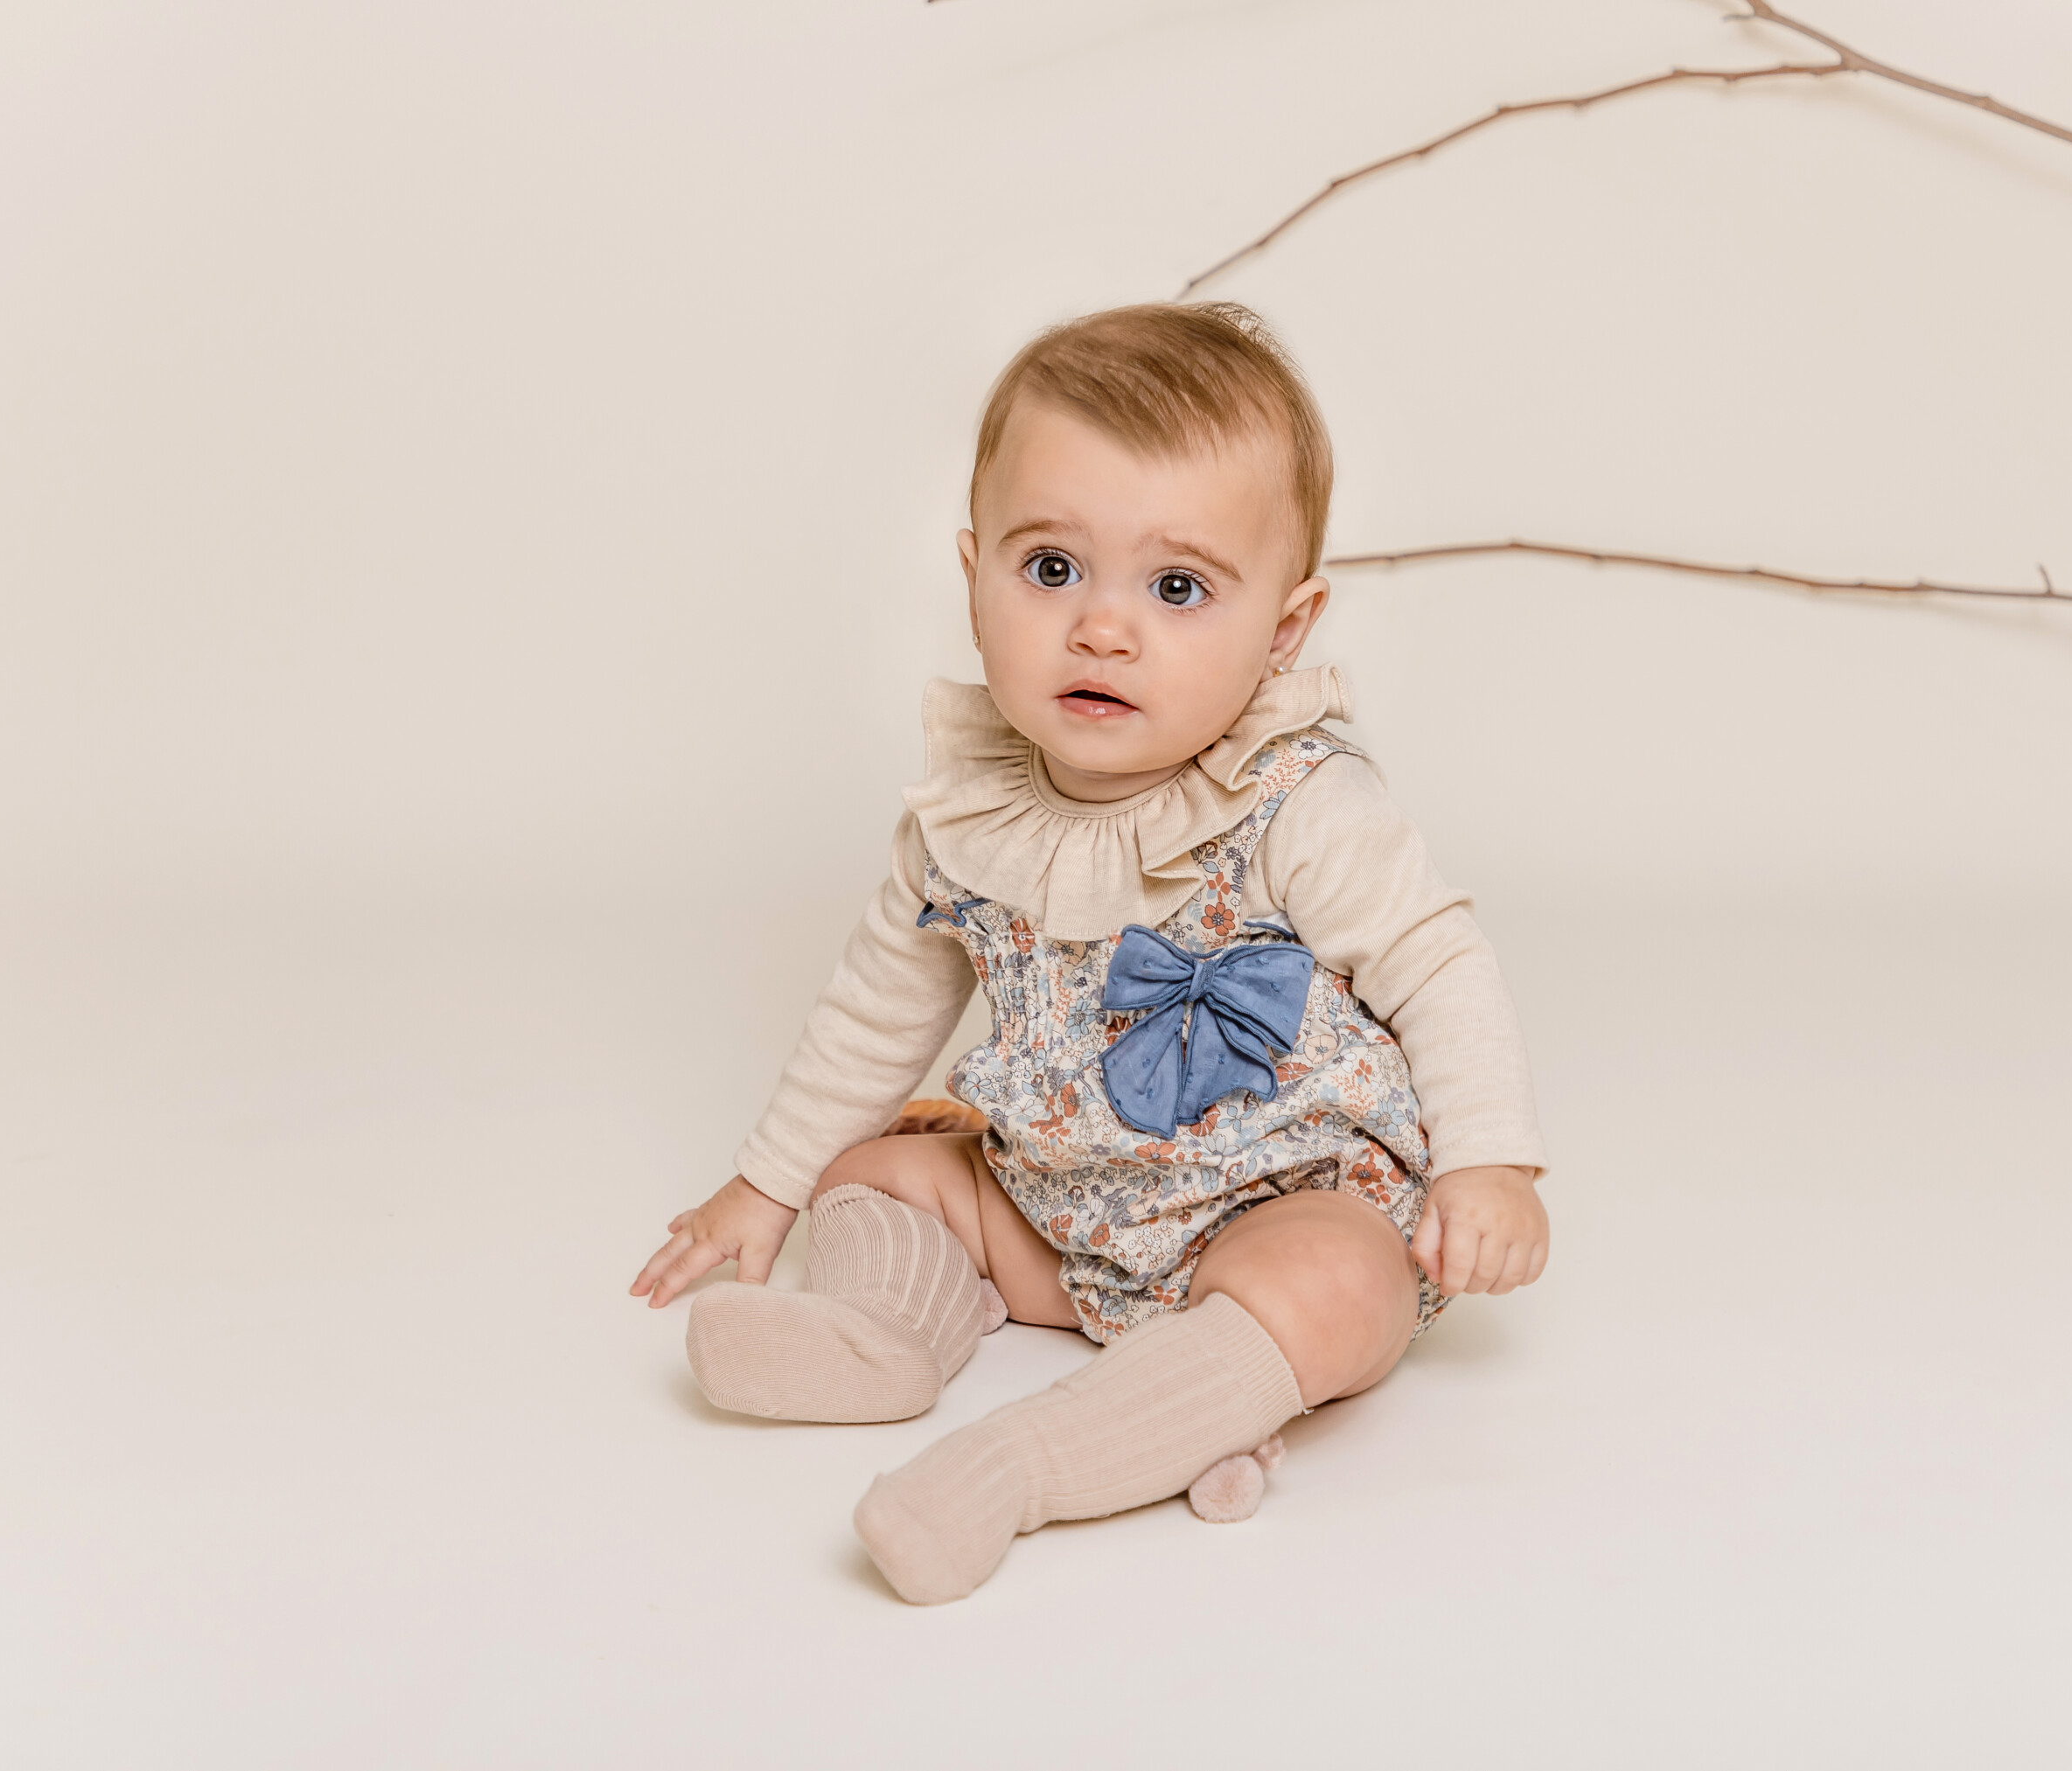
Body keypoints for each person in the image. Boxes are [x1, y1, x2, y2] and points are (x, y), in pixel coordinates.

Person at [628, 301, 1550, 1603]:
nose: (1103, 629)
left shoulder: (1295, 800)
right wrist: (764, 1188)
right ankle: (879, 1338)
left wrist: (1490, 1162)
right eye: (1052, 568)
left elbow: (1437, 963)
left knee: (1345, 1283)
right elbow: (879, 1005)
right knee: (875, 1168)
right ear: (972, 575)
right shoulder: (968, 815)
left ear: (1284, 630)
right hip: (1065, 1213)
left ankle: (1023, 1463)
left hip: (1277, 1202)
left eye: (1177, 588)